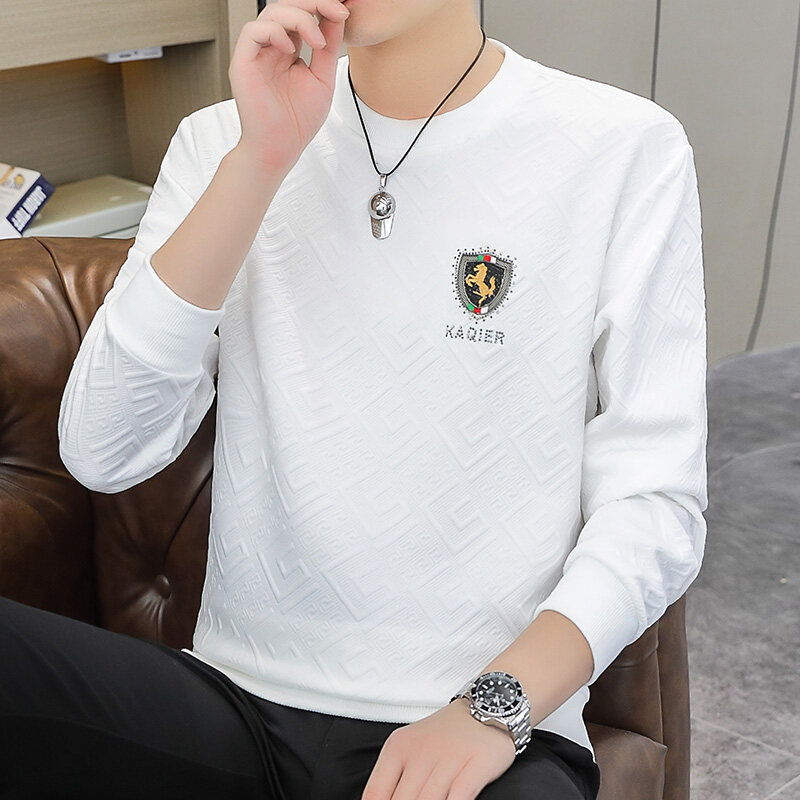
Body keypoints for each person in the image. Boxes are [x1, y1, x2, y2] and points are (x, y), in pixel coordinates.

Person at [1, 0, 709, 798]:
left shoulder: (623, 147)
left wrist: (492, 708)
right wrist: (260, 160)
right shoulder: (221, 140)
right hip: (238, 706)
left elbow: (657, 502)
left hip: (481, 732)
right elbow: (103, 449)